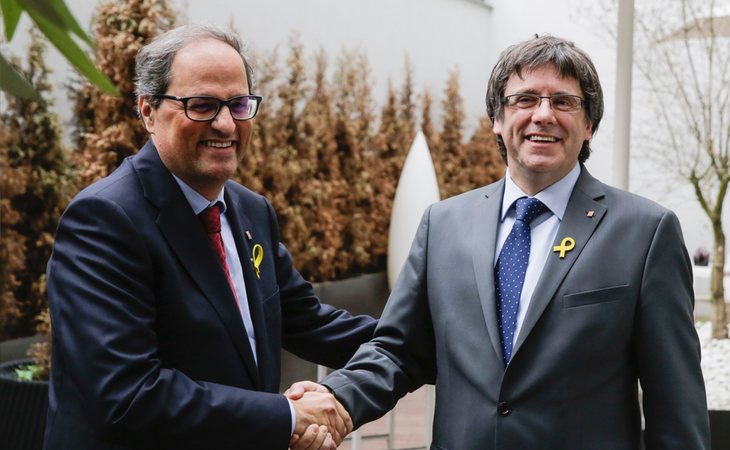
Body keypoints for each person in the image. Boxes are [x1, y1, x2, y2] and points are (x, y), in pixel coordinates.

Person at [289, 35, 710, 449]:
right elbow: (399, 350)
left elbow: (676, 403)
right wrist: (336, 397)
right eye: (524, 99)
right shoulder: (444, 223)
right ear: (497, 118)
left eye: (563, 101)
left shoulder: (646, 232)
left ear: (589, 125)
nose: (543, 115)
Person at [43, 23, 375, 450]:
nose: (225, 124)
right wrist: (287, 415)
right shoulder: (104, 220)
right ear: (147, 111)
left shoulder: (250, 210)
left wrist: (434, 339)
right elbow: (126, 395)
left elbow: (310, 323)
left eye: (238, 105)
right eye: (201, 105)